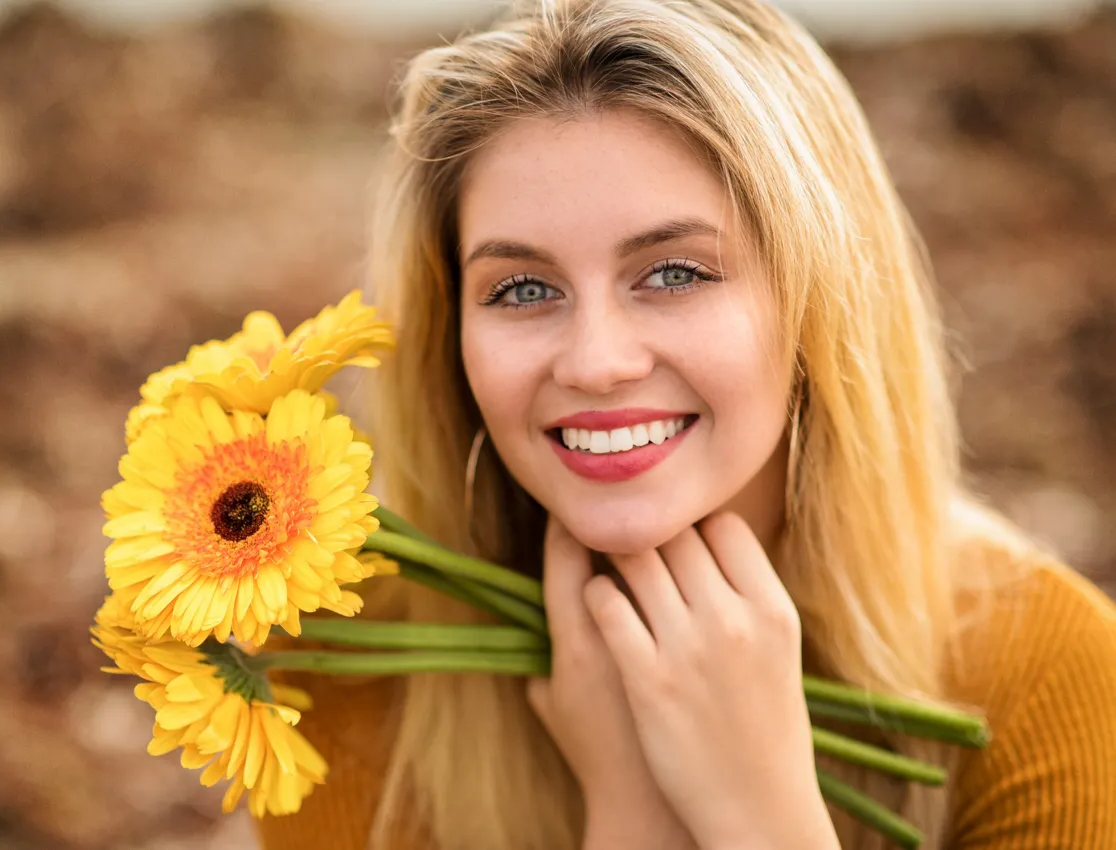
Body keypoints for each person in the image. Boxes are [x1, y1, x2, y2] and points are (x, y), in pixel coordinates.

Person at [254, 1, 1116, 848]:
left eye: (673, 273)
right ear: (452, 337)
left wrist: (759, 815)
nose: (595, 361)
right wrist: (634, 816)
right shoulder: (347, 677)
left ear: (817, 302)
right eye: (522, 289)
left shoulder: (1049, 672)